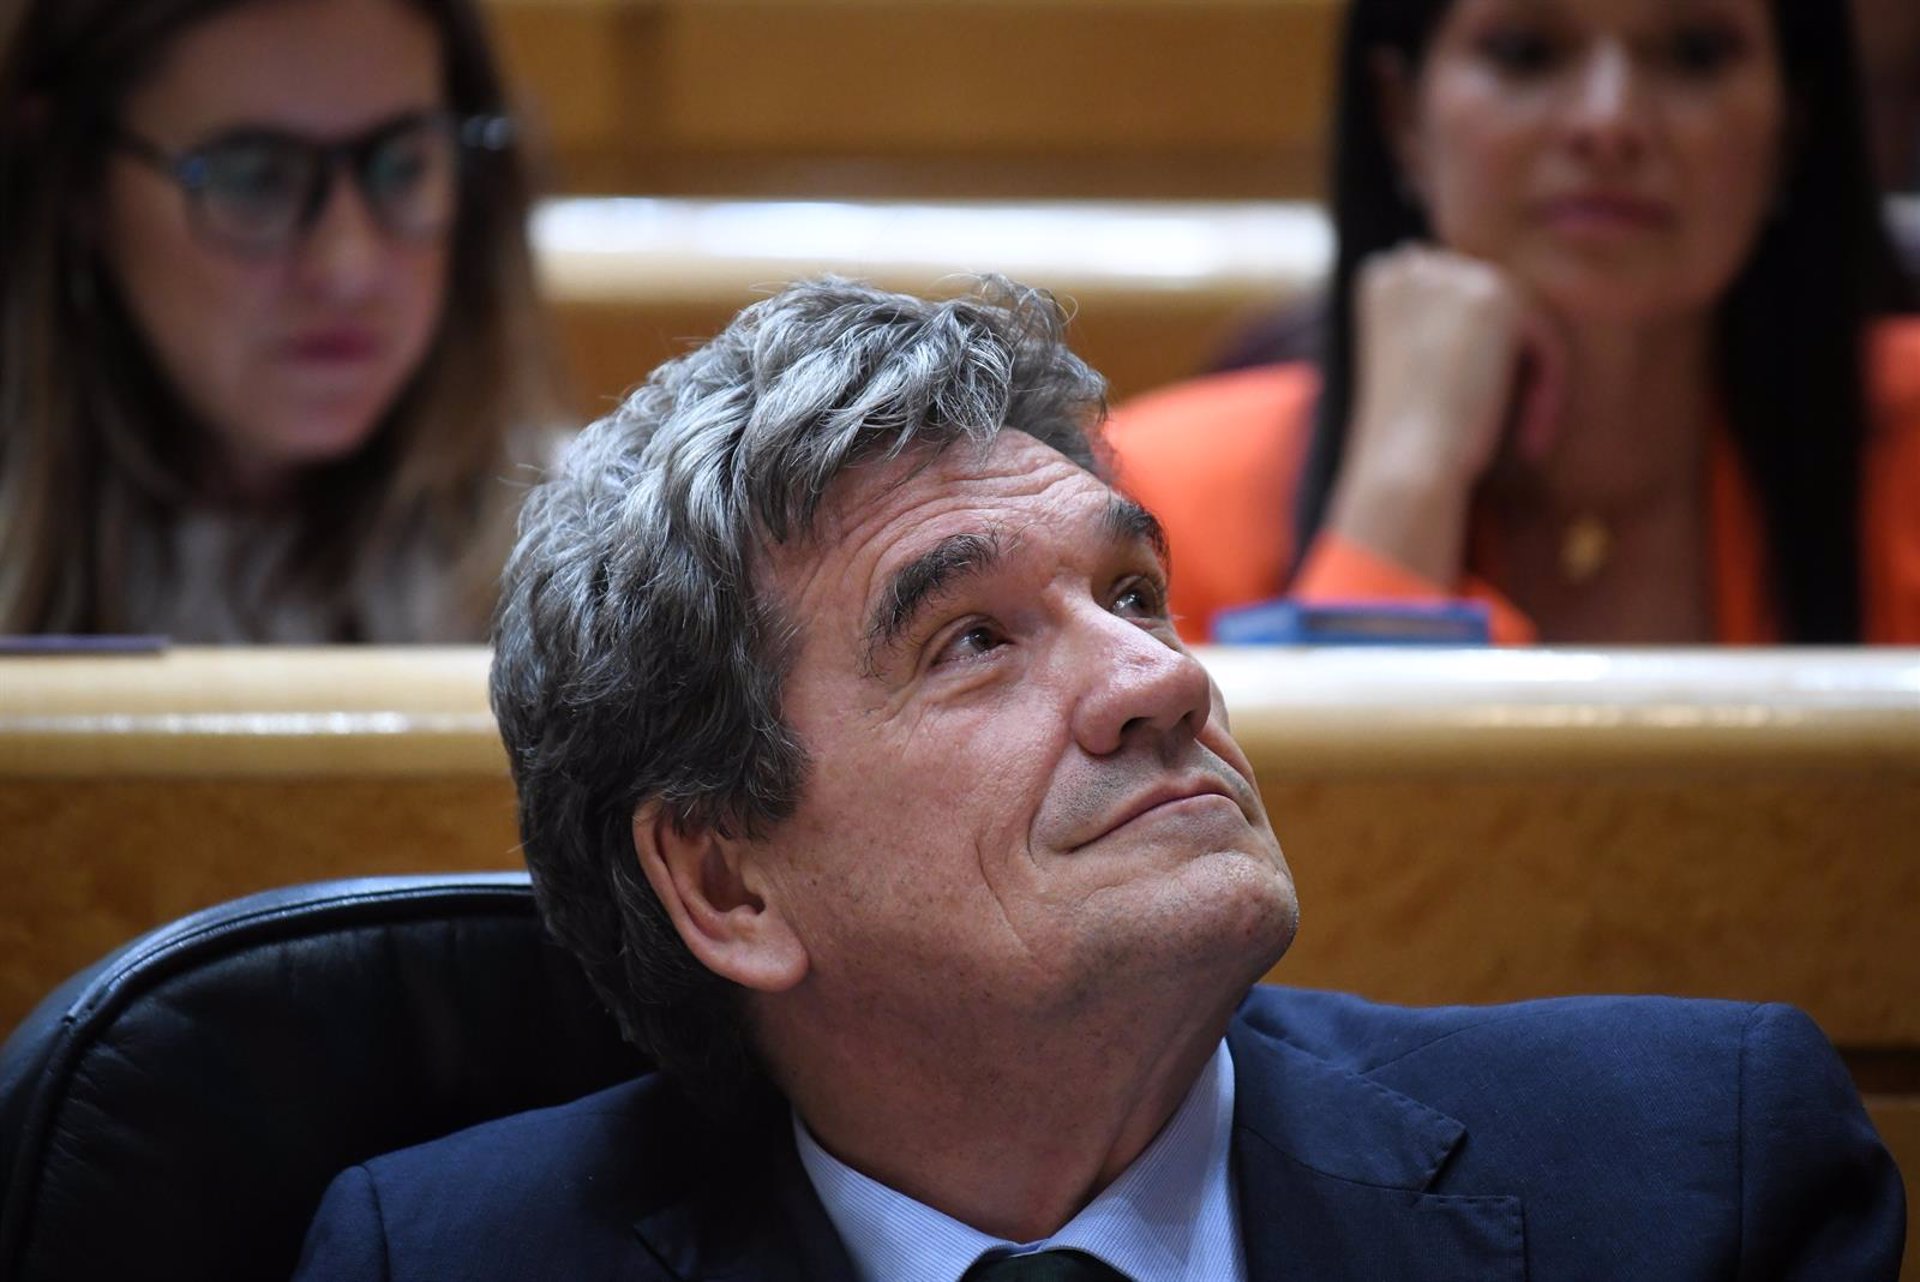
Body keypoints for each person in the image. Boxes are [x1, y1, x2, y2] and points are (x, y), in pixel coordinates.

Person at [294, 277, 1903, 1280]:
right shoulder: (442, 1260)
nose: (1163, 678)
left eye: (1134, 593)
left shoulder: (1698, 1180)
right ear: (727, 879)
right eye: (973, 640)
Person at [1109, 0, 1920, 645]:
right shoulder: (1162, 506)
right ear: (1402, 115)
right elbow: (1309, 810)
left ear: (1792, 120)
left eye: (1695, 54)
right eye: (1526, 52)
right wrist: (1405, 474)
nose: (1609, 121)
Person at [0, 0, 563, 642]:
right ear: (74, 178)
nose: (349, 268)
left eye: (403, 165)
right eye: (255, 179)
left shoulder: (582, 545)